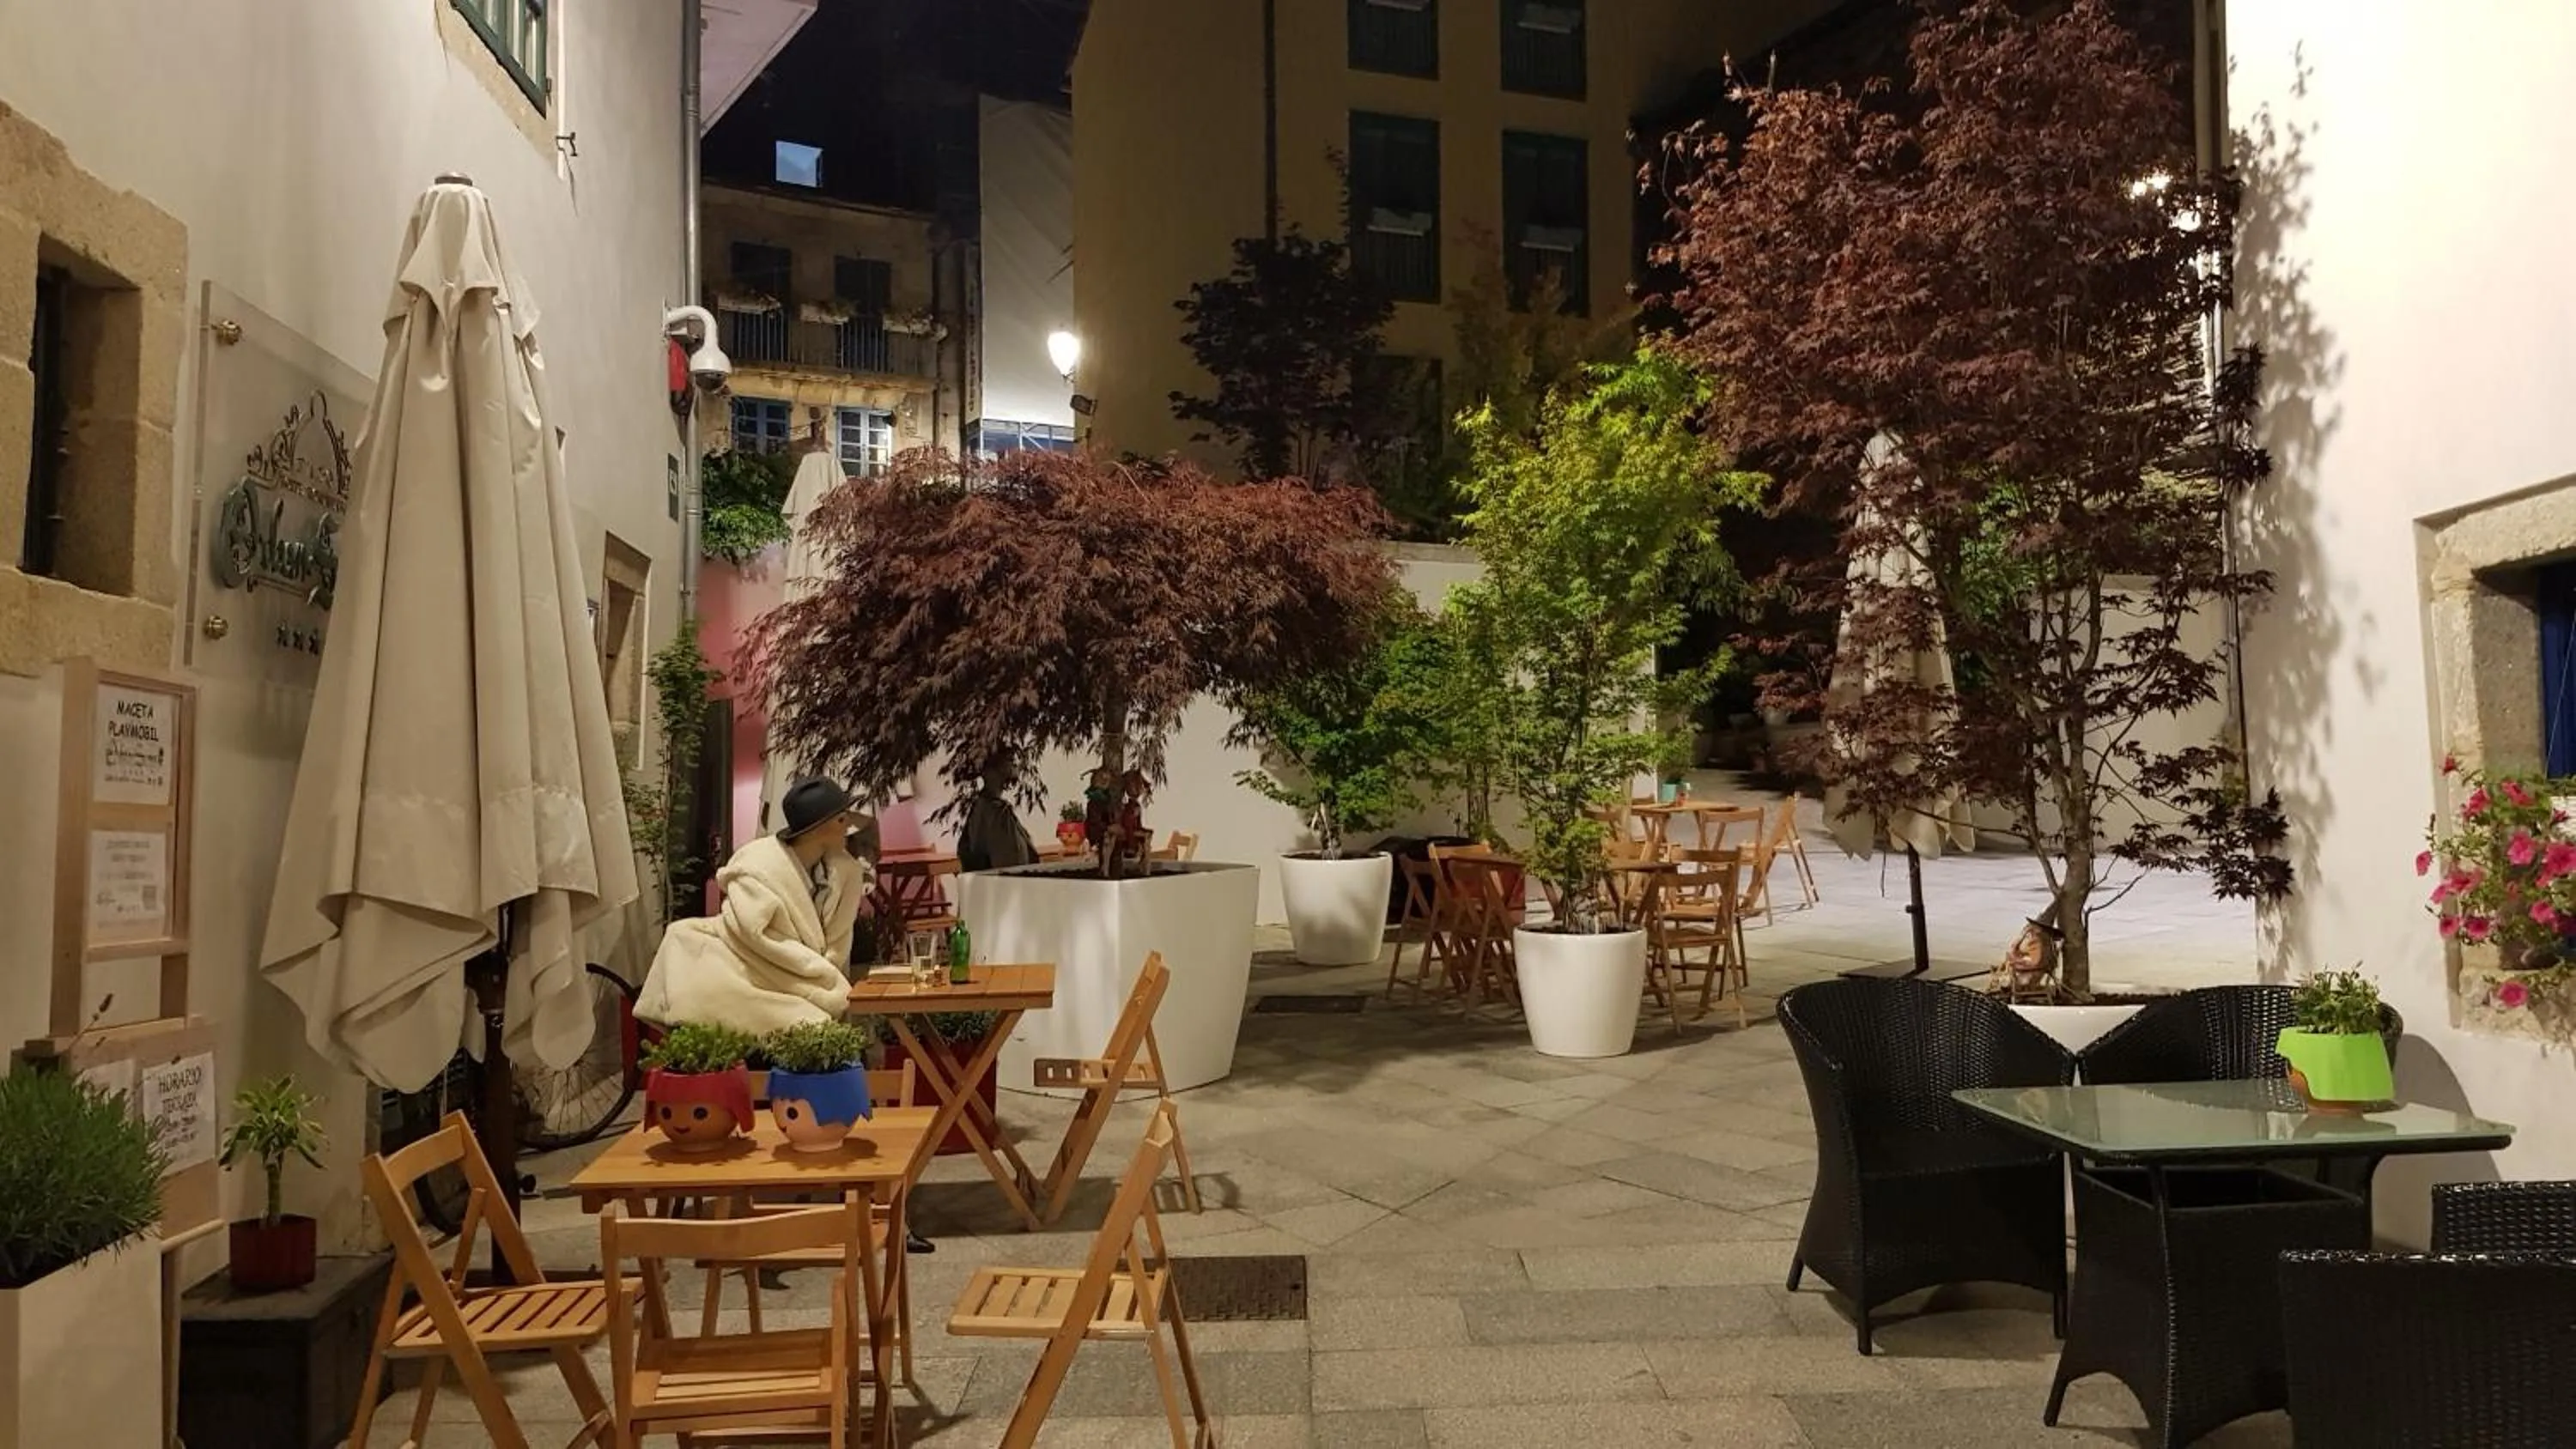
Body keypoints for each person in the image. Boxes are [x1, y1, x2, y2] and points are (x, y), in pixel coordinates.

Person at [637, 777, 866, 1034]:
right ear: (817, 828)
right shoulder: (759, 867)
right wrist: (813, 970)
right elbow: (753, 933)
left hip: (807, 977)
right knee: (809, 1023)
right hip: (759, 968)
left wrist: (825, 973)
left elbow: (839, 940)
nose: (848, 827)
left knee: (824, 1024)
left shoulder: (843, 870)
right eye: (841, 820)